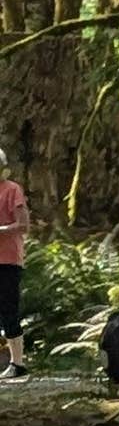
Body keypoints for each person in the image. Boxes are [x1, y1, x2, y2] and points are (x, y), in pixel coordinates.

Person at [0, 144, 26, 375]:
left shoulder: (12, 190)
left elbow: (23, 225)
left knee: (8, 308)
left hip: (8, 260)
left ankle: (17, 363)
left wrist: (1, 229)